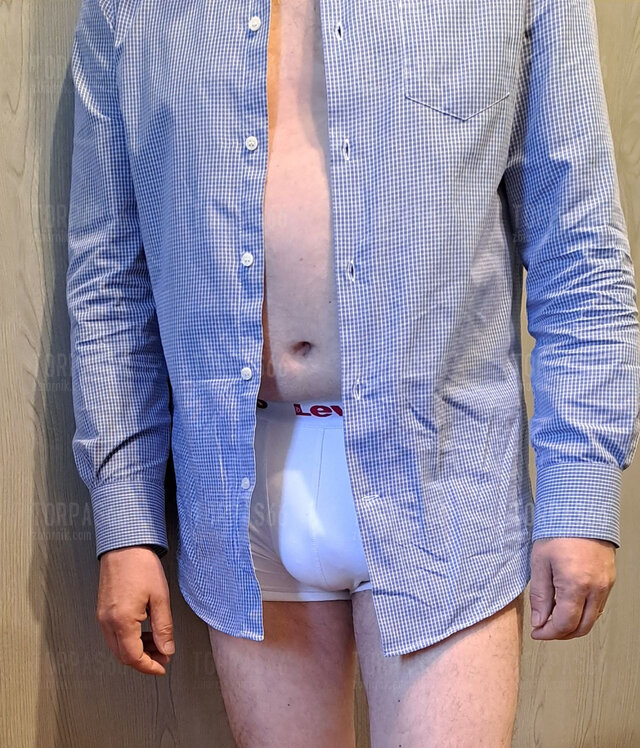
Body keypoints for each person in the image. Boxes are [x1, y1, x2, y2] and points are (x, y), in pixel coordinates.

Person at [66, 0, 640, 745]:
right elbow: (109, 278)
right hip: (235, 492)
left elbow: (580, 252)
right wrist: (126, 522)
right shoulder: (129, 10)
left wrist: (580, 493)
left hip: (445, 479)